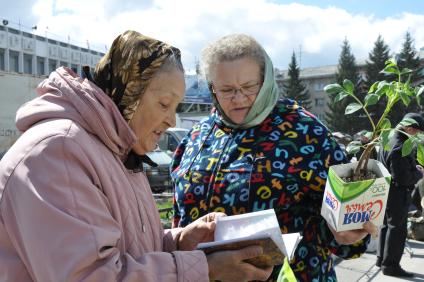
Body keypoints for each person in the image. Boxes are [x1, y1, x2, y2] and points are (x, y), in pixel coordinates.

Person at [0, 30, 273, 282]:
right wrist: (205, 267)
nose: (171, 120)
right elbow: (89, 275)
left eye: (176, 107)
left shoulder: (117, 149)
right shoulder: (57, 152)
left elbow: (125, 248)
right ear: (129, 94)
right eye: (164, 104)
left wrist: (179, 241)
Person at [171, 34, 376, 282]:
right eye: (226, 90)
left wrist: (347, 235)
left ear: (265, 80)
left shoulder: (305, 132)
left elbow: (343, 224)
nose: (238, 98)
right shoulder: (196, 137)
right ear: (212, 87)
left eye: (248, 87)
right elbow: (179, 218)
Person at [377, 112, 424, 277]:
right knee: (397, 230)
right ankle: (390, 266)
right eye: (417, 132)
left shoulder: (388, 138)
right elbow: (403, 178)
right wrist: (419, 173)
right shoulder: (400, 145)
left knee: (385, 226)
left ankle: (381, 259)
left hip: (386, 190)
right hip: (397, 193)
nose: (418, 136)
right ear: (409, 128)